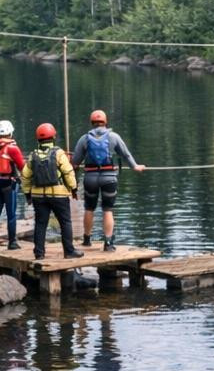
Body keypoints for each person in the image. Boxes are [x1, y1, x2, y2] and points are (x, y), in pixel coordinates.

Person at [70, 109, 145, 252]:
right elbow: (126, 155)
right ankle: (108, 243)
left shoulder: (84, 139)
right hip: (109, 178)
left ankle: (87, 240)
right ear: (105, 122)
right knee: (108, 210)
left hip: (90, 178)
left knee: (89, 208)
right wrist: (135, 166)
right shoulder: (113, 136)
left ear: (92, 123)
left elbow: (75, 163)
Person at [22, 123, 83, 261]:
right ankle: (69, 251)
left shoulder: (32, 156)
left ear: (38, 139)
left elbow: (25, 176)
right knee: (65, 222)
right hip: (59, 195)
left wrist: (27, 194)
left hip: (38, 196)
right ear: (53, 137)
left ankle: (39, 253)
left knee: (40, 223)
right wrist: (73, 189)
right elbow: (68, 172)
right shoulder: (59, 153)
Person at [0, 120, 27, 250]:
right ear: (10, 133)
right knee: (11, 214)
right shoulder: (13, 148)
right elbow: (22, 166)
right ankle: (12, 242)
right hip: (8, 184)